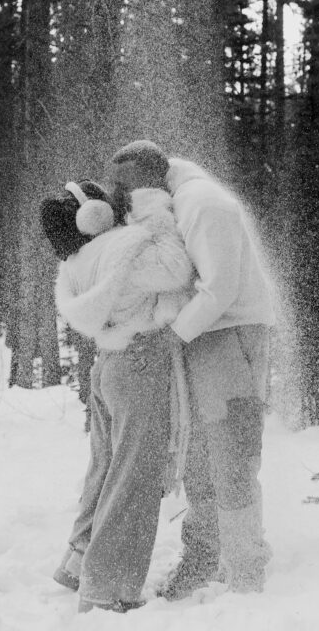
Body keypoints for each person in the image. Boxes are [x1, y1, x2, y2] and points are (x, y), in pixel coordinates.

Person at [109, 140, 275, 599]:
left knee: (231, 454)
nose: (123, 200)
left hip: (232, 336)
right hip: (204, 337)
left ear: (148, 182)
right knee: (200, 457)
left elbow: (220, 287)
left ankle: (246, 572)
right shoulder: (177, 202)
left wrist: (171, 336)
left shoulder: (204, 203)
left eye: (126, 190)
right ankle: (203, 558)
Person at [40, 178, 193, 614]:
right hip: (139, 362)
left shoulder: (74, 262)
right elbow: (176, 269)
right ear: (93, 215)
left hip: (108, 365)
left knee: (106, 467)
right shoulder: (123, 247)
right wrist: (155, 214)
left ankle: (79, 560)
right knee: (135, 475)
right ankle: (107, 589)